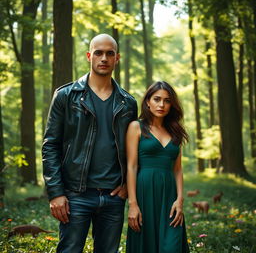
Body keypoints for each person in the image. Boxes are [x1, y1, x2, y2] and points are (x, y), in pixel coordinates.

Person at [42, 33, 137, 253]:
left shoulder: (128, 103)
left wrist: (126, 186)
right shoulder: (66, 96)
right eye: (99, 53)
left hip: (113, 197)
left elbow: (133, 151)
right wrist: (56, 192)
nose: (104, 58)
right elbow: (50, 145)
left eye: (109, 53)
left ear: (117, 58)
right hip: (76, 194)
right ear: (89, 56)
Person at [125, 81, 189, 253]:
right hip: (144, 194)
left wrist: (180, 200)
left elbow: (177, 169)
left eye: (167, 101)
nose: (161, 104)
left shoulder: (175, 131)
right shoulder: (136, 127)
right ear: (147, 101)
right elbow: (131, 167)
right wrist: (133, 204)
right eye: (157, 99)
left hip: (170, 197)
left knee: (172, 246)